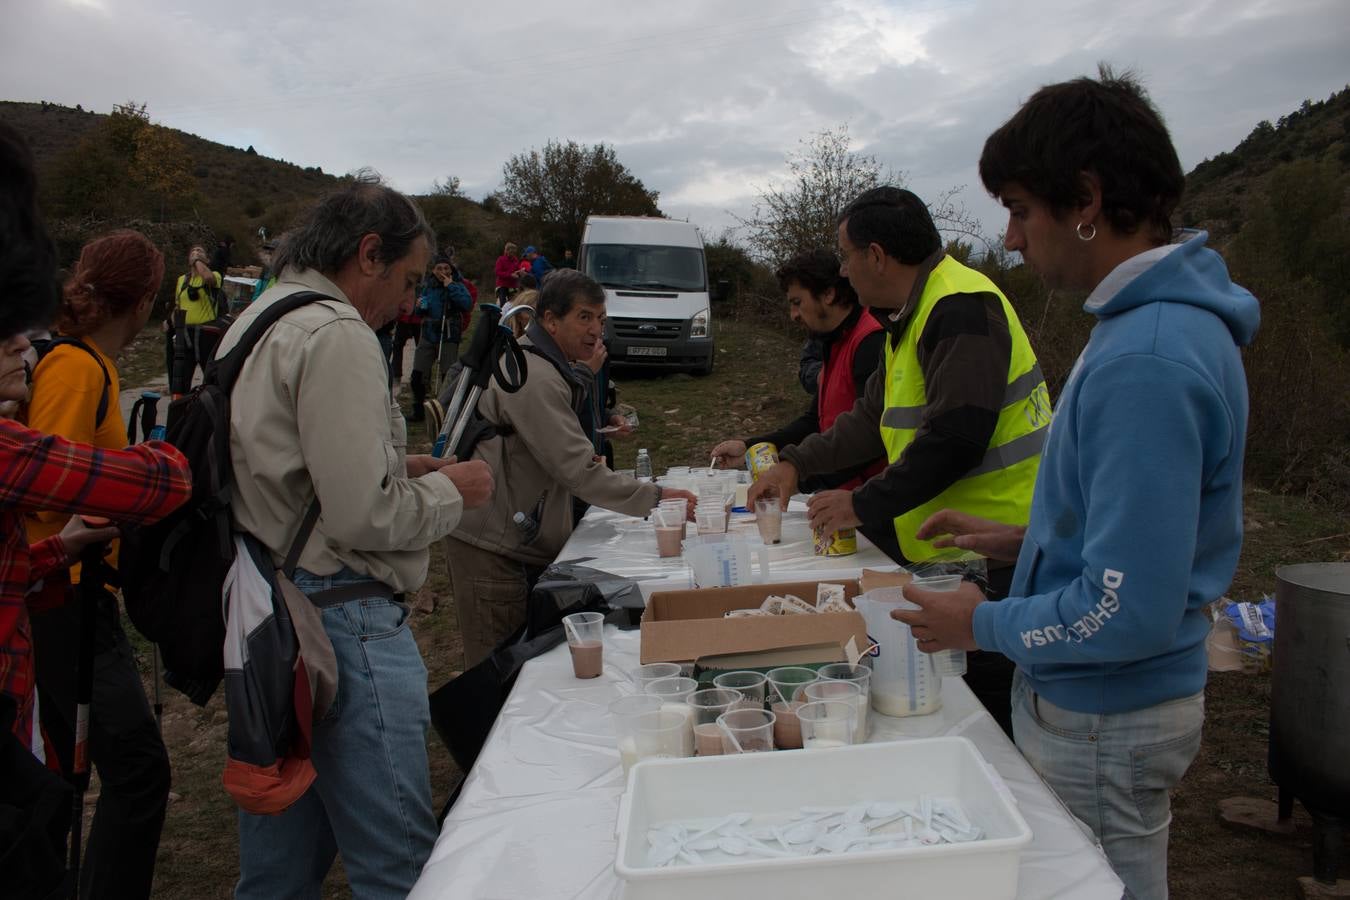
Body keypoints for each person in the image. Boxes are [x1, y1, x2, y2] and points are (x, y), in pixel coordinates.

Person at [894, 69, 1259, 900]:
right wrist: (1030, 540)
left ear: (1086, 199)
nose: (1013, 237)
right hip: (1109, 701)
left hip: (1106, 711)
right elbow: (1148, 537)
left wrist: (980, 622)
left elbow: (1124, 609)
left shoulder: (1148, 359)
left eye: (1021, 208)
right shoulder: (1144, 326)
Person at [220, 176, 494, 899]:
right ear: (368, 254)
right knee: (399, 865)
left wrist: (395, 465)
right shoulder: (336, 333)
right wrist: (449, 492)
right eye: (406, 279)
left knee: (276, 876)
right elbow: (363, 518)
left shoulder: (261, 317)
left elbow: (281, 465)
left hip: (271, 616)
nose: (408, 302)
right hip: (343, 621)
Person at [747, 187, 1049, 736]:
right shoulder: (909, 317)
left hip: (995, 556)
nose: (843, 269)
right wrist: (794, 463)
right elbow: (869, 420)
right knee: (949, 706)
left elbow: (955, 440)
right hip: (949, 555)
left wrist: (860, 504)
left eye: (846, 256)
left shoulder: (958, 307)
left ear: (877, 256)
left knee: (987, 718)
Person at [0, 123, 192, 898]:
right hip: (63, 606)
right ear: (146, 299)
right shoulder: (80, 369)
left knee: (65, 775)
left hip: (51, 588)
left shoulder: (87, 362)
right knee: (126, 771)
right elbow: (51, 475)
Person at [444, 269, 695, 667]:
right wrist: (658, 497)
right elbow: (578, 471)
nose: (597, 330)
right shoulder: (533, 375)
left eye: (601, 319)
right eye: (584, 317)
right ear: (550, 320)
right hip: (491, 545)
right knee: (499, 668)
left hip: (514, 535)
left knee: (521, 661)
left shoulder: (547, 365)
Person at [710, 250, 885, 494]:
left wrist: (799, 479)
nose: (793, 315)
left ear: (828, 294)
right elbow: (815, 421)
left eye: (797, 303)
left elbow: (871, 438)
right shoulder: (834, 341)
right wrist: (749, 446)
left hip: (871, 503)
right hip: (841, 499)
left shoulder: (869, 341)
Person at [409, 254, 472, 419]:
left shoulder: (457, 284)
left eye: (446, 268)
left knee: (448, 373)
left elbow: (467, 304)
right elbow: (418, 312)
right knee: (418, 373)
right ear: (433, 270)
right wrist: (420, 307)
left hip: (449, 334)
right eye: (439, 268)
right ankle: (418, 409)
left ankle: (446, 410)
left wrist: (451, 286)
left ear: (451, 270)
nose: (442, 271)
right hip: (428, 332)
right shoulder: (427, 286)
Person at [169, 243, 224, 396]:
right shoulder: (182, 280)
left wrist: (197, 261)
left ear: (207, 260)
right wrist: (171, 323)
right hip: (185, 334)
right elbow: (178, 304)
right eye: (193, 252)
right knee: (181, 377)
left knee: (210, 375)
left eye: (200, 252)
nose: (196, 253)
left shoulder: (216, 275)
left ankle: (209, 404)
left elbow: (208, 278)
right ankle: (181, 407)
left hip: (207, 333)